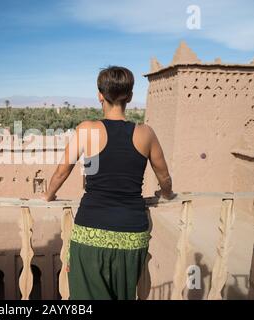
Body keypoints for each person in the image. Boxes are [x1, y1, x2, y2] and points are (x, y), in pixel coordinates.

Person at [43, 66, 175, 300]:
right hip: (132, 236)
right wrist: (166, 193)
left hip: (91, 231)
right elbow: (164, 177)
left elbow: (62, 172)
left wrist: (48, 196)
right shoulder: (146, 133)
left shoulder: (87, 130)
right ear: (130, 97)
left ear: (100, 95)